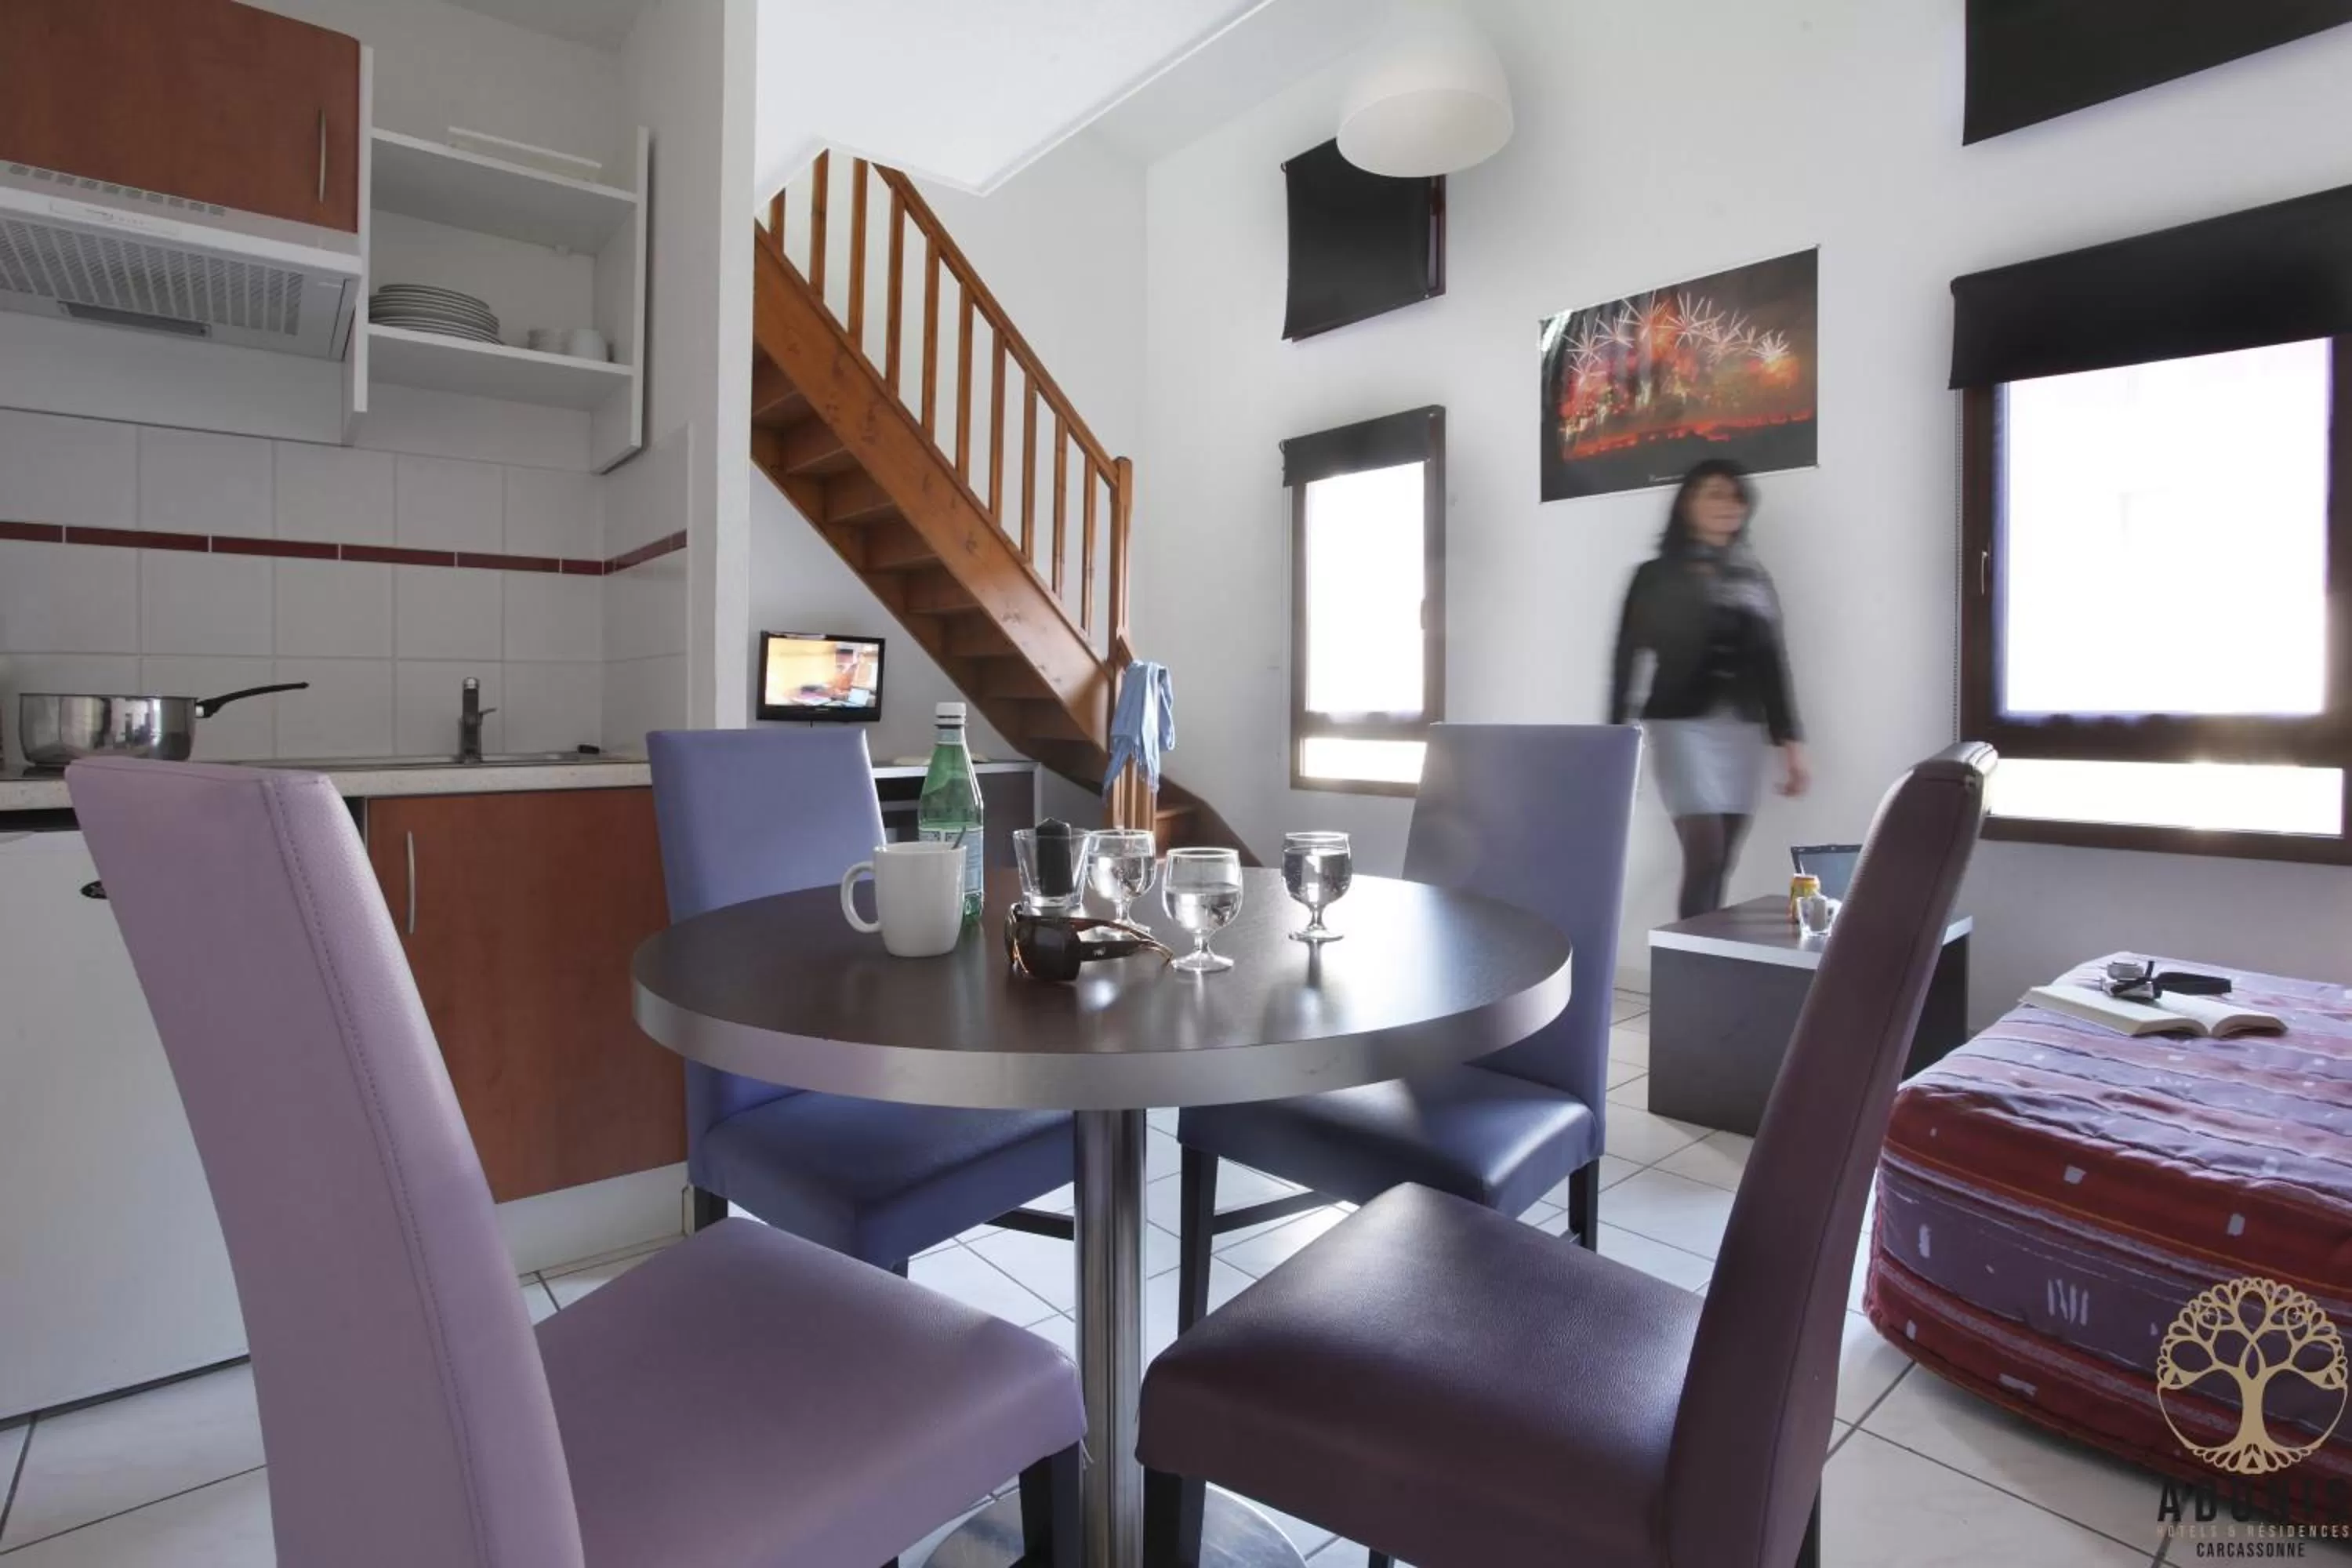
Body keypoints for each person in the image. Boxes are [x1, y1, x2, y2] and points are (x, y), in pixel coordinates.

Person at [1608, 458, 1808, 918]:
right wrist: (1613, 739)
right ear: (1687, 505)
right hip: (1680, 726)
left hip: (1741, 731)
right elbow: (1626, 658)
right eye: (1712, 493)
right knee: (1706, 855)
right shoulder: (1654, 576)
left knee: (1723, 861)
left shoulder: (1754, 577)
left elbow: (1772, 663)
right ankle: (1687, 975)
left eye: (1735, 495)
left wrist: (1790, 742)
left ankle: (1700, 960)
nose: (1726, 504)